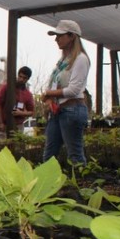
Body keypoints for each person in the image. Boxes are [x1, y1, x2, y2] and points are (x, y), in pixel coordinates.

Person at [42, 20, 90, 165]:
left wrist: (50, 93)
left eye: (60, 35)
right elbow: (55, 84)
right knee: (49, 155)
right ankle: (48, 185)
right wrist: (50, 99)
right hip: (58, 111)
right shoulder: (63, 61)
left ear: (72, 36)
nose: (56, 39)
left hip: (73, 110)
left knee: (75, 155)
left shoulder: (81, 59)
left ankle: (83, 185)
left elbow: (74, 90)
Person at [0, 66, 35, 132]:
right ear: (18, 75)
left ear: (28, 79)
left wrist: (21, 113)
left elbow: (31, 112)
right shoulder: (6, 87)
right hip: (4, 124)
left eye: (24, 78)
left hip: (19, 125)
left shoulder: (28, 94)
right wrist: (0, 122)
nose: (21, 79)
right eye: (20, 76)